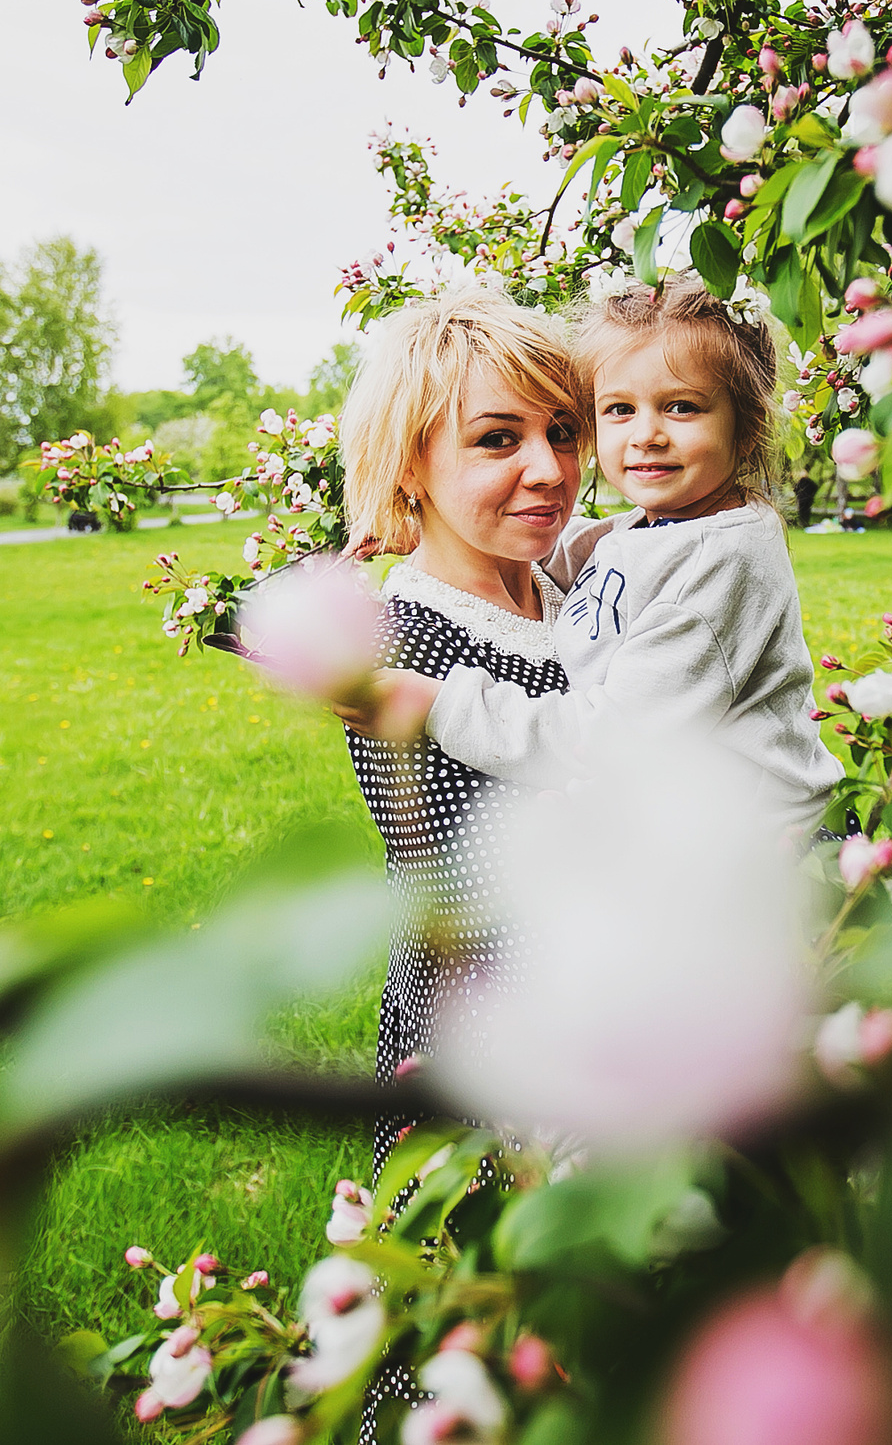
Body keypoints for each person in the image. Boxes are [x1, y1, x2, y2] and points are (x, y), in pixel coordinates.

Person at [362, 274, 841, 833]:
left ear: (745, 427)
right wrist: (423, 524)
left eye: (682, 407)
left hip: (760, 851)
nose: (647, 435)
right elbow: (604, 551)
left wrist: (439, 706)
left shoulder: (717, 561)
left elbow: (613, 742)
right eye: (617, 409)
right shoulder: (667, 530)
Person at [329, 286, 585, 1171]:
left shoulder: (566, 586)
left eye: (562, 430)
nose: (550, 469)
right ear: (409, 465)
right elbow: (484, 901)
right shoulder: (405, 649)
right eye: (496, 439)